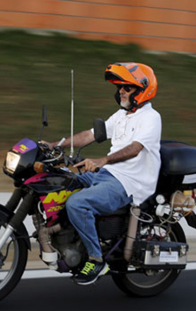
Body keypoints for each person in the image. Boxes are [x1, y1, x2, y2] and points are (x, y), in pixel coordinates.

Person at [44, 62, 161, 285]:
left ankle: (97, 260)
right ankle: (67, 239)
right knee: (61, 184)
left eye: (127, 87)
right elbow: (90, 135)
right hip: (108, 174)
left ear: (142, 89)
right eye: (120, 87)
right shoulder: (121, 115)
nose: (121, 92)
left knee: (78, 203)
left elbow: (135, 148)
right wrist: (54, 145)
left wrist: (102, 160)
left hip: (129, 182)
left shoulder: (151, 118)